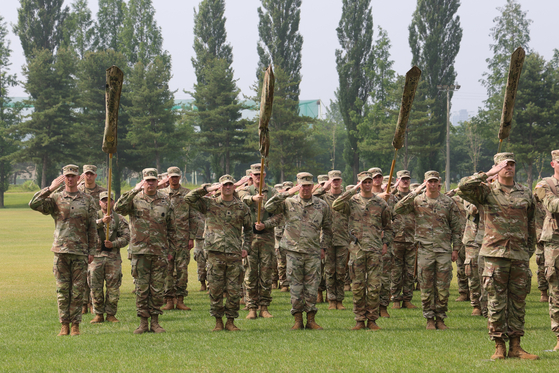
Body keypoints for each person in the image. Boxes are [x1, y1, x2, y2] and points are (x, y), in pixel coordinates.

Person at [459, 153, 538, 360]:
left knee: (518, 302)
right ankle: (499, 346)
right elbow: (462, 188)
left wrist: (527, 249)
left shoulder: (525, 192)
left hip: (519, 255)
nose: (508, 168)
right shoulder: (486, 192)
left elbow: (530, 223)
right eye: (504, 165)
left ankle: (516, 346)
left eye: (511, 164)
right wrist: (488, 174)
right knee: (495, 301)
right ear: (497, 167)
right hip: (494, 255)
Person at [29, 164, 98, 336]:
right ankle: (64, 324)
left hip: (80, 251)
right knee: (62, 291)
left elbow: (92, 227)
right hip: (61, 251)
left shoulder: (87, 200)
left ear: (78, 178)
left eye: (73, 176)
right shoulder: (56, 198)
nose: (69, 179)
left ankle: (75, 325)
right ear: (63, 177)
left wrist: (92, 251)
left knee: (77, 291)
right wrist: (50, 188)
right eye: (67, 176)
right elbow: (34, 204)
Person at [394, 171, 461, 330]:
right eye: (429, 181)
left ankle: (440, 318)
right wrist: (414, 192)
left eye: (434, 181)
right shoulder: (417, 200)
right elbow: (398, 208)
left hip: (443, 250)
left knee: (443, 287)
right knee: (426, 285)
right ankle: (429, 319)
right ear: (425, 182)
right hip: (424, 250)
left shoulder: (448, 202)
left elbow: (457, 228)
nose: (432, 184)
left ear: (439, 183)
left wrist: (456, 248)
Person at [185, 175, 253, 332]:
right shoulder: (209, 204)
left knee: (234, 290)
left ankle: (230, 321)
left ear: (234, 187)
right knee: (215, 289)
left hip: (234, 253)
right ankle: (218, 321)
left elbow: (249, 230)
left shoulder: (242, 207)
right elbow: (189, 199)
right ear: (220, 187)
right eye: (224, 185)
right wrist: (207, 189)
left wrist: (246, 247)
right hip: (215, 254)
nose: (227, 187)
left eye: (230, 184)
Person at [265, 172, 332, 330]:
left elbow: (328, 229)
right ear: (298, 186)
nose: (306, 189)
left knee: (312, 287)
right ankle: (297, 320)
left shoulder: (321, 205)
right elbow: (268, 207)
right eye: (302, 185)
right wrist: (285, 193)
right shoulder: (288, 202)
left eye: (308, 185)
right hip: (293, 252)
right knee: (295, 287)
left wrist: (323, 247)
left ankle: (310, 319)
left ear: (312, 186)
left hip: (313, 252)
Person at [115, 168, 177, 334]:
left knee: (157, 289)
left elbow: (171, 227)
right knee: (142, 289)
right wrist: (134, 189)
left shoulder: (165, 201)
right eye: (147, 180)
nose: (150, 183)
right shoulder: (134, 199)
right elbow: (118, 208)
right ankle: (143, 323)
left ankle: (155, 322)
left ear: (158, 182)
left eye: (153, 180)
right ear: (143, 181)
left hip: (160, 251)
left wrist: (171, 249)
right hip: (140, 251)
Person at [332, 171, 392, 330]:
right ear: (359, 183)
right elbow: (336, 205)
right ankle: (359, 319)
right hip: (357, 250)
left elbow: (388, 226)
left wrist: (385, 242)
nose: (367, 184)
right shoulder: (351, 201)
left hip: (374, 250)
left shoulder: (380, 203)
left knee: (373, 288)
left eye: (369, 182)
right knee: (358, 287)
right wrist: (353, 190)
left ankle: (372, 319)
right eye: (363, 182)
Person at [238, 163, 282, 319]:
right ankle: (251, 307)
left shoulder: (273, 192)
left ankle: (264, 306)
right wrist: (253, 199)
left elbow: (279, 216)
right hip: (250, 237)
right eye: (255, 174)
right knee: (250, 273)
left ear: (264, 175)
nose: (258, 177)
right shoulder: (245, 191)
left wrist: (266, 224)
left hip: (267, 237)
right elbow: (241, 199)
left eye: (260, 174)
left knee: (266, 272)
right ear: (251, 176)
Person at [159, 167, 197, 311]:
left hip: (182, 238)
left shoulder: (187, 194)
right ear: (167, 178)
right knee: (167, 270)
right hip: (166, 239)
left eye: (176, 176)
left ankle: (180, 299)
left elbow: (193, 217)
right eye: (171, 177)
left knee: (182, 270)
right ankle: (169, 299)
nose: (174, 179)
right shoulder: (161, 194)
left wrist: (191, 237)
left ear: (180, 177)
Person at [533, 149, 559, 352]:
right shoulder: (544, 185)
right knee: (557, 292)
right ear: (553, 164)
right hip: (555, 246)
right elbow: (552, 204)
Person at [90, 191, 130, 324]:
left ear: (113, 202)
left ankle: (111, 314)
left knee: (113, 288)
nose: (107, 203)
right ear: (99, 202)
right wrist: (101, 222)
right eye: (104, 200)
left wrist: (113, 243)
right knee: (96, 287)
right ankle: (98, 314)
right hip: (96, 257)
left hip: (113, 258)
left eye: (109, 200)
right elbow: (86, 228)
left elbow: (126, 237)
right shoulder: (93, 216)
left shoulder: (120, 219)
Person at [313, 170, 350, 310]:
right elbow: (311, 196)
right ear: (329, 181)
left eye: (337, 180)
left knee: (340, 272)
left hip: (342, 238)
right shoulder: (323, 197)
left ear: (341, 181)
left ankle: (339, 300)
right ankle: (331, 300)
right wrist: (324, 187)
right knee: (329, 271)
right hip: (327, 239)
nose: (335, 182)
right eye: (333, 180)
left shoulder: (345, 197)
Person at [368, 167, 396, 318]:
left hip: (384, 241)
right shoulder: (364, 197)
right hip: (369, 241)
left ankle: (383, 306)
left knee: (385, 276)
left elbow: (395, 216)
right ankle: (370, 307)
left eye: (379, 177)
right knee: (369, 277)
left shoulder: (390, 197)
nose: (377, 180)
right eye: (374, 178)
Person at [79, 165, 107, 314]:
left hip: (96, 236)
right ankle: (83, 303)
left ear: (95, 175)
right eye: (86, 174)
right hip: (79, 235)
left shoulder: (102, 192)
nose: (88, 176)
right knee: (81, 272)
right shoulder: (78, 190)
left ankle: (92, 302)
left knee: (93, 273)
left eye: (91, 174)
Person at [390, 170, 418, 309]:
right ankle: (395, 298)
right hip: (396, 238)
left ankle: (407, 298)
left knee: (409, 271)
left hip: (411, 238)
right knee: (396, 270)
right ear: (397, 180)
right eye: (402, 179)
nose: (405, 181)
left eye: (407, 179)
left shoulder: (416, 197)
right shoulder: (392, 197)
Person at [276, 181, 293, 292]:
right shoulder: (280, 202)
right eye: (285, 190)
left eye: (289, 190)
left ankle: (293, 282)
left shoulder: (295, 202)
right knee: (281, 261)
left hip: (293, 235)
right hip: (280, 235)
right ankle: (284, 283)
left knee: (292, 261)